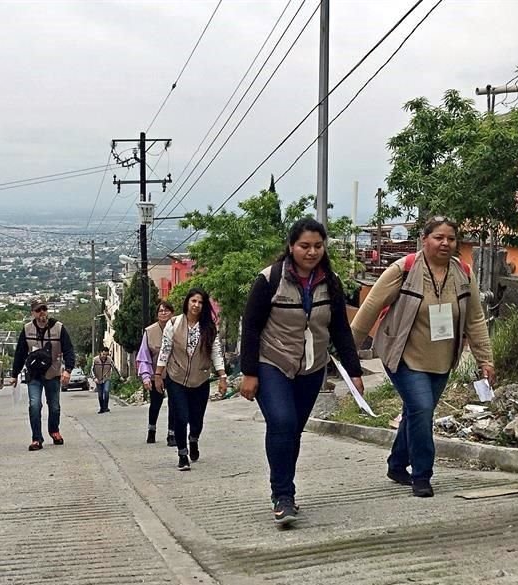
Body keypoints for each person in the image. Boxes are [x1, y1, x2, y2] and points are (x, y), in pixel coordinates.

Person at [351, 216, 495, 498]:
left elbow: (475, 320)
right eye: (438, 237)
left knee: (416, 412)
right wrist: (348, 353)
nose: (445, 243)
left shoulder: (463, 273)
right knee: (422, 409)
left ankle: (396, 464)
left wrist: (485, 359)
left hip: (442, 358)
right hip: (403, 355)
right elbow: (370, 308)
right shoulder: (403, 269)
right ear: (424, 239)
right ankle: (422, 475)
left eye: (450, 239)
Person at [240, 218, 365, 527]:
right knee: (281, 422)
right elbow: (251, 327)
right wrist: (249, 372)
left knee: (292, 430)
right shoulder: (269, 279)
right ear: (291, 246)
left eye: (318, 246)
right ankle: (282, 495)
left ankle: (285, 491)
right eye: (304, 246)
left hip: (311, 367)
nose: (311, 252)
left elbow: (339, 329)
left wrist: (354, 371)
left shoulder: (330, 281)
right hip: (273, 363)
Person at [154, 287, 228, 471]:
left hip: (200, 379)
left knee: (196, 419)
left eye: (200, 302)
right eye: (193, 301)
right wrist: (158, 374)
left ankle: (193, 439)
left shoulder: (208, 327)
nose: (196, 305)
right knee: (181, 416)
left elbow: (216, 352)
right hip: (176, 377)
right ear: (187, 302)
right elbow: (165, 350)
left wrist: (222, 376)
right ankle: (182, 454)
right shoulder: (174, 323)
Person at [11, 298, 76, 451]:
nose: (42, 313)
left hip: (52, 373)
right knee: (34, 405)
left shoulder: (58, 328)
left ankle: (54, 430)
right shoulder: (27, 329)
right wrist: (15, 374)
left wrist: (68, 370)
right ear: (33, 313)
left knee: (54, 406)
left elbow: (68, 349)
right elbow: (20, 353)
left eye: (44, 309)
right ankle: (36, 438)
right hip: (34, 375)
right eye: (38, 310)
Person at [136, 300, 175, 444]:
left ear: (172, 313)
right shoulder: (149, 332)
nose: (163, 313)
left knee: (175, 404)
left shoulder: (178, 328)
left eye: (166, 310)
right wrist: (146, 377)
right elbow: (143, 356)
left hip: (175, 374)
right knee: (155, 404)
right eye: (161, 311)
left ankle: (172, 434)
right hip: (156, 375)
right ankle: (151, 429)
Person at [91, 348, 117, 414]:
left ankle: (106, 407)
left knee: (106, 391)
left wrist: (120, 377)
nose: (104, 356)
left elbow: (114, 368)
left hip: (106, 378)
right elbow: (91, 370)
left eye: (106, 354)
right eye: (103, 354)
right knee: (100, 395)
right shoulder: (95, 360)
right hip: (98, 379)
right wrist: (94, 378)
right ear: (100, 353)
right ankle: (102, 408)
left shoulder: (109, 360)